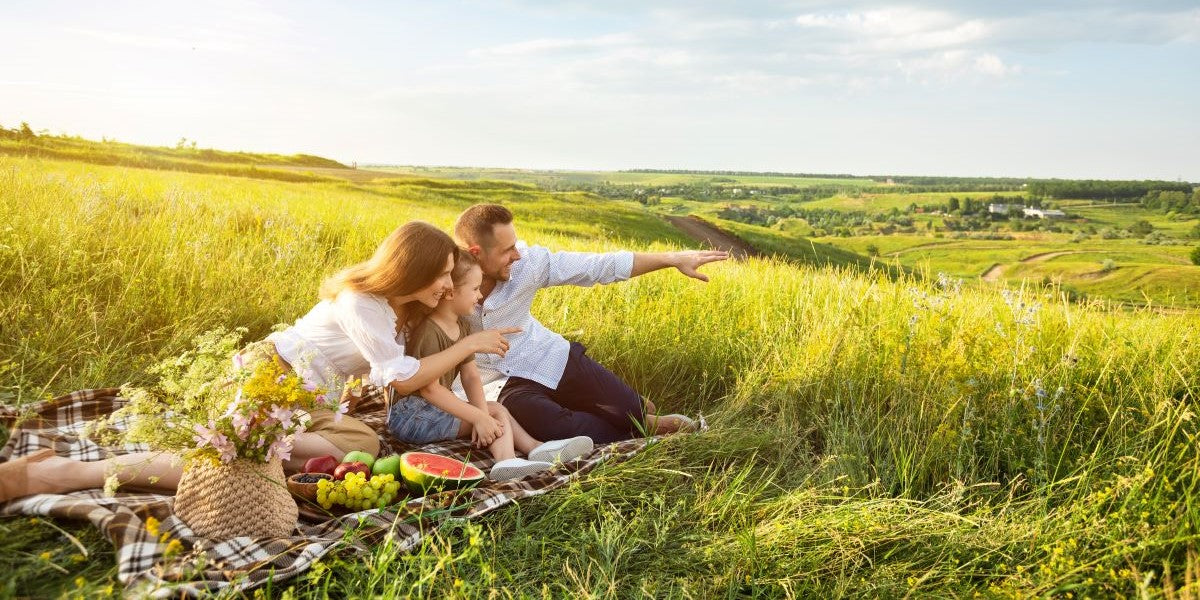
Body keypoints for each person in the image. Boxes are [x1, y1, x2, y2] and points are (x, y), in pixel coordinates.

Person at [0, 222, 520, 503]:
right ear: (410, 271)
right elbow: (401, 379)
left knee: (362, 440)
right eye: (443, 275)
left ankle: (259, 449)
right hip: (269, 377)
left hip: (301, 395)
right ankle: (63, 474)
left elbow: (407, 365)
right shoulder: (362, 303)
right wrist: (469, 348)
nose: (450, 285)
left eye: (454, 275)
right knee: (230, 464)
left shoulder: (399, 307)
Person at [453, 204, 728, 444]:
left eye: (515, 244)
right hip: (498, 383)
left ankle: (636, 414)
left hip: (545, 355)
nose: (517, 254)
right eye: (507, 249)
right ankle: (635, 431)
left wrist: (672, 259)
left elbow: (597, 266)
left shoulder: (529, 264)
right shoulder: (446, 283)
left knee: (633, 408)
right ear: (475, 252)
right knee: (556, 427)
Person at [387, 249, 593, 480]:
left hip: (432, 409)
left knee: (493, 409)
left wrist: (482, 416)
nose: (479, 296)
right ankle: (506, 461)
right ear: (450, 293)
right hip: (410, 416)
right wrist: (480, 417)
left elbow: (471, 377)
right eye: (475, 289)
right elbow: (429, 389)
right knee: (494, 411)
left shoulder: (463, 327)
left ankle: (535, 448)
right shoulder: (430, 332)